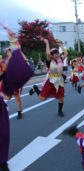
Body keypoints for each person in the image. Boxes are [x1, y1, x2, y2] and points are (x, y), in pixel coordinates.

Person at [0, 25, 33, 171]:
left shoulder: (4, 65)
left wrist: (12, 37)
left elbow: (19, 64)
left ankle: (2, 161)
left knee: (3, 133)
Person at [29, 38, 68, 117]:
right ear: (51, 55)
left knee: (61, 97)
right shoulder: (49, 61)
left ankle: (60, 111)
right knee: (42, 98)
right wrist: (47, 43)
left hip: (59, 81)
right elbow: (47, 54)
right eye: (54, 54)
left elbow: (66, 54)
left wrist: (61, 46)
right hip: (50, 81)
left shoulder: (60, 59)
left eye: (57, 53)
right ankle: (36, 89)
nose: (57, 55)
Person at [0, 47, 24, 119]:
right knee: (8, 97)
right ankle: (4, 107)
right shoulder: (3, 62)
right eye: (7, 51)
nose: (8, 52)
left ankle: (19, 112)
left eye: (9, 51)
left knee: (17, 99)